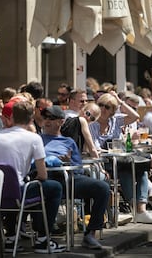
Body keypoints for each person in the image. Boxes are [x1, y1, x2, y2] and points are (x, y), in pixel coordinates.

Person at [0, 100, 65, 254]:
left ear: (13, 117)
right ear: (31, 119)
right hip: (18, 193)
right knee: (54, 187)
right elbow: (43, 175)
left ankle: (10, 237)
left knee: (15, 186)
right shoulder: (34, 138)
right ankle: (43, 239)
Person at [40, 105, 110, 249]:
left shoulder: (69, 142)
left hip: (68, 178)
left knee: (102, 187)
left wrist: (67, 162)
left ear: (61, 122)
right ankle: (43, 235)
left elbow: (78, 168)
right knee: (52, 187)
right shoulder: (36, 139)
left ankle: (90, 234)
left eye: (51, 118)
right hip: (46, 177)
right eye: (45, 117)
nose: (47, 121)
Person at [88, 92, 152, 223]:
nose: (103, 109)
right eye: (100, 105)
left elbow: (135, 116)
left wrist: (120, 101)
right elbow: (93, 150)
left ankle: (141, 209)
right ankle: (139, 210)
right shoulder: (92, 124)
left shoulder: (116, 120)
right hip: (104, 162)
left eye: (107, 107)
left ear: (113, 110)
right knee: (128, 170)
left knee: (140, 168)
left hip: (120, 160)